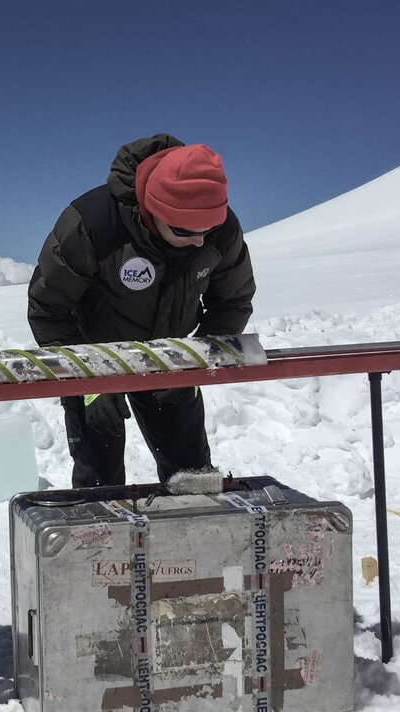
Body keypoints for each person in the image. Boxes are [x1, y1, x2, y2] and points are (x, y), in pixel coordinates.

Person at [27, 135, 255, 488]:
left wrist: (194, 361)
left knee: (193, 480)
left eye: (207, 232)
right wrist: (88, 382)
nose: (199, 241)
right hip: (94, 362)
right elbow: (48, 309)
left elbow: (233, 301)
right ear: (153, 211)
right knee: (99, 488)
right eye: (184, 231)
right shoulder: (91, 224)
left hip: (172, 363)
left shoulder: (219, 231)